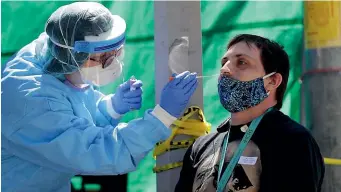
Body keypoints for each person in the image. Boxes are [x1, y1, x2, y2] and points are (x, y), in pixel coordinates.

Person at [1, 2, 198, 192]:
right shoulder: (31, 101)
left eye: (115, 53)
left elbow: (72, 109)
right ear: (71, 56)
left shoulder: (52, 54)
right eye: (103, 58)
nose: (112, 64)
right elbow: (99, 152)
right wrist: (162, 116)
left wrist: (110, 107)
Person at [175, 34, 325, 192]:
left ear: (272, 81)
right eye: (224, 62)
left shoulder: (293, 140)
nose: (224, 70)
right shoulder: (201, 146)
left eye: (241, 62)